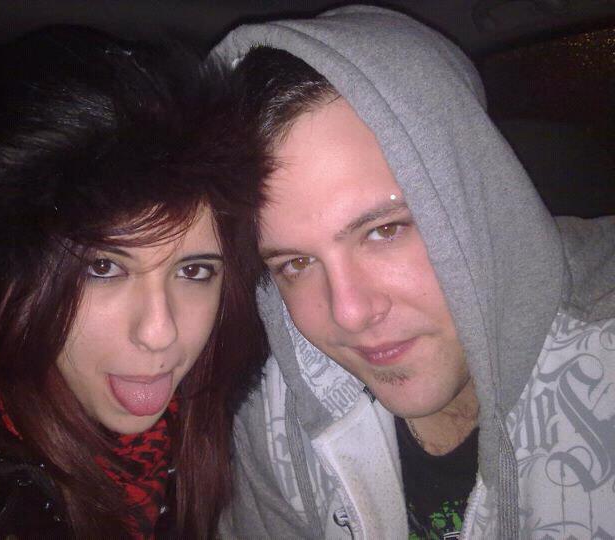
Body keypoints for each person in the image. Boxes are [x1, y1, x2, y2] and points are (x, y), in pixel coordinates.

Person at [213, 6, 615, 539]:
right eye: (296, 263)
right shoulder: (273, 411)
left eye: (385, 230)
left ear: (479, 187)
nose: (349, 313)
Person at [0, 27, 268, 539]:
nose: (160, 332)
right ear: (15, 277)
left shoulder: (230, 418)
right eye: (103, 268)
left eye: (193, 271)